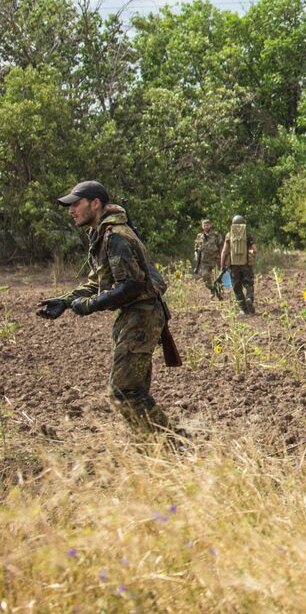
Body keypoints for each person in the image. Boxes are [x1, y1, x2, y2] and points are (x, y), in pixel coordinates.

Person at [35, 181, 173, 433]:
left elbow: (130, 286)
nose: (71, 210)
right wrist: (66, 301)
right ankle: (154, 446)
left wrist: (89, 305)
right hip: (135, 316)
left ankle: (173, 445)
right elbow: (98, 282)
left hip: (141, 317)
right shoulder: (102, 234)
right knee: (133, 391)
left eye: (76, 204)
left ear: (95, 203)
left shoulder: (116, 236)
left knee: (123, 391)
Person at [219, 215, 257, 314]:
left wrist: (222, 265)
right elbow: (255, 250)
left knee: (237, 288)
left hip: (234, 266)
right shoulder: (248, 235)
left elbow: (224, 251)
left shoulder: (229, 235)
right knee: (248, 284)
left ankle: (244, 310)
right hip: (246, 266)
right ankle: (249, 298)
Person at [193, 218, 224, 300]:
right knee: (205, 277)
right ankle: (213, 290)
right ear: (202, 226)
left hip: (215, 260)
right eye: (204, 225)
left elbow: (222, 247)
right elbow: (196, 249)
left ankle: (219, 293)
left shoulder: (216, 235)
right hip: (204, 262)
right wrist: (196, 256)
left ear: (211, 225)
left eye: (208, 225)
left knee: (218, 278)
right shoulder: (199, 236)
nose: (206, 226)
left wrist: (222, 259)